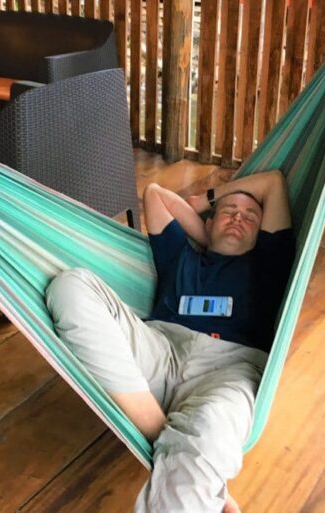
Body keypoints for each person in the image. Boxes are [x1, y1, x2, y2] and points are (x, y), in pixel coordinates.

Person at [45, 170, 295, 513]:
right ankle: (162, 431)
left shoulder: (268, 263)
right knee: (71, 286)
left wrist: (214, 198)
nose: (239, 217)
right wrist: (203, 228)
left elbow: (274, 183)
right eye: (229, 211)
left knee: (209, 430)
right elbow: (155, 194)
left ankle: (174, 442)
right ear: (205, 225)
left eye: (251, 217)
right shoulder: (181, 255)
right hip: (158, 349)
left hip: (229, 368)